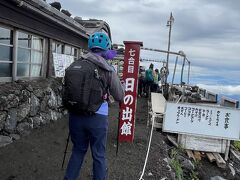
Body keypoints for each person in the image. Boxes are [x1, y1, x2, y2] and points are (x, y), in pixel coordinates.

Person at [64, 32, 124, 180]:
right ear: (106, 48)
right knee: (98, 154)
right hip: (98, 117)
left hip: (75, 114)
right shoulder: (108, 68)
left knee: (78, 151)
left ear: (90, 47)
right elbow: (120, 95)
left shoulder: (77, 63)